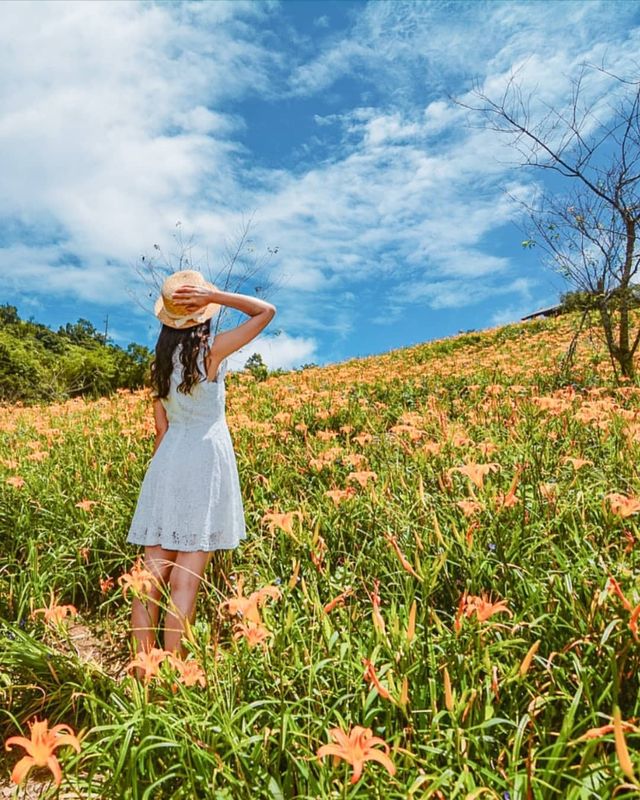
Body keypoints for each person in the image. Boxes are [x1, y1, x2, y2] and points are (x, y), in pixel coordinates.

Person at [125, 269, 276, 670]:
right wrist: (215, 294)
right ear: (201, 314)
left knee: (149, 578)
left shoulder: (158, 367)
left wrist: (160, 480)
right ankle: (173, 674)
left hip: (168, 462)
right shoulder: (210, 352)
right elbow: (265, 312)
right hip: (204, 460)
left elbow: (161, 431)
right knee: (184, 580)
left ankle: (143, 673)